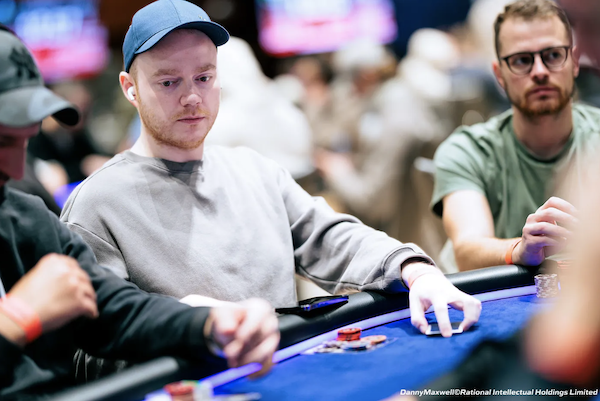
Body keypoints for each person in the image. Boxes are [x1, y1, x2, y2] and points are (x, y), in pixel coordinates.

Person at [60, 0, 481, 338]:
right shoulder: (96, 205)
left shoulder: (255, 172)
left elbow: (333, 238)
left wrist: (414, 269)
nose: (191, 97)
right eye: (169, 82)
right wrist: (183, 325)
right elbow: (88, 347)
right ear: (130, 88)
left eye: (204, 77)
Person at [0, 26, 279, 400]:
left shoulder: (21, 214)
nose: (17, 169)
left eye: (25, 141)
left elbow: (115, 309)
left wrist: (208, 324)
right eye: (2, 142)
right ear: (130, 89)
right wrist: (17, 319)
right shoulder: (92, 198)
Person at [431, 0, 600, 272]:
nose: (540, 71)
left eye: (553, 55)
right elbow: (467, 249)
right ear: (500, 75)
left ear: (575, 61)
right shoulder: (467, 150)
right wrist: (520, 249)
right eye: (522, 60)